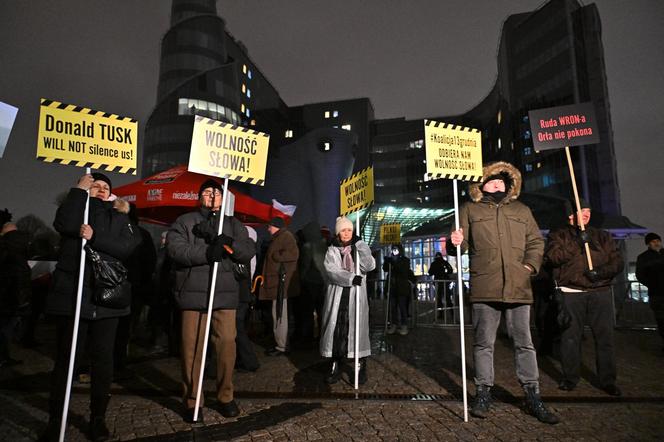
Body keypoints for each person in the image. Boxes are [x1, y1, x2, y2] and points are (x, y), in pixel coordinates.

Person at [449, 161, 558, 424]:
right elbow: (459, 246)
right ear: (482, 185)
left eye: (501, 182)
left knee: (524, 343)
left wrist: (529, 266)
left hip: (519, 286)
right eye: (491, 181)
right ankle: (483, 393)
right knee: (484, 343)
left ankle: (532, 395)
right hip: (485, 286)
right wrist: (454, 243)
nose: (497, 185)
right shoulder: (469, 209)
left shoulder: (522, 210)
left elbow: (535, 241)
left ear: (509, 185)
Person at [42, 173, 138, 441]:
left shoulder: (119, 215)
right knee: (66, 361)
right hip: (73, 296)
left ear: (111, 194)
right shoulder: (76, 205)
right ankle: (55, 419)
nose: (99, 190)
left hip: (106, 300)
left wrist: (95, 238)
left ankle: (98, 418)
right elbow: (64, 224)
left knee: (103, 360)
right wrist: (78, 191)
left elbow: (127, 247)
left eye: (104, 187)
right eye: (94, 185)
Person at [167, 179, 255, 422]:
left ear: (223, 198)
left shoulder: (234, 224)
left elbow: (248, 251)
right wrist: (206, 253)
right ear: (200, 197)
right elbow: (176, 250)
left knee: (227, 344)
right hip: (193, 294)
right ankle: (193, 399)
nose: (212, 196)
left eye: (217, 192)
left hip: (224, 294)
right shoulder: (185, 221)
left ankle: (225, 396)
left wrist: (227, 242)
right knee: (191, 349)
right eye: (207, 192)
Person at [545, 199, 623, 396]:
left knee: (605, 338)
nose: (586, 214)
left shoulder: (603, 235)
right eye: (581, 210)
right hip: (572, 293)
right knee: (570, 337)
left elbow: (617, 262)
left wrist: (601, 272)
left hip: (600, 291)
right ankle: (570, 378)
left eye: (588, 210)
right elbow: (554, 258)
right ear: (571, 215)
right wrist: (577, 242)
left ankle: (608, 380)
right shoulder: (559, 235)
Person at [320, 216, 375, 384]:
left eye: (349, 230)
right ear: (338, 232)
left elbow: (369, 265)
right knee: (337, 329)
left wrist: (361, 246)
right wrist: (351, 278)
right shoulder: (332, 250)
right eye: (343, 230)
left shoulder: (358, 248)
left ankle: (360, 363)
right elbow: (331, 271)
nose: (346, 233)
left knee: (356, 328)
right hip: (338, 295)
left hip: (356, 296)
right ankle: (335, 362)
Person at [114, 204, 156, 379]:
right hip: (134, 287)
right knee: (126, 326)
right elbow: (150, 262)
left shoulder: (113, 231)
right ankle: (119, 361)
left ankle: (111, 360)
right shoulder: (142, 234)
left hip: (115, 285)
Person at [259, 217, 300, 356]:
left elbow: (294, 254)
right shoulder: (280, 237)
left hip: (281, 285)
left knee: (280, 314)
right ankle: (281, 344)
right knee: (278, 314)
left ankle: (282, 346)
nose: (268, 228)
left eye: (269, 226)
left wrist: (277, 256)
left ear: (275, 226)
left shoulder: (285, 236)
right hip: (278, 284)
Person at [0, 219, 31, 368]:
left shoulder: (6, 248)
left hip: (9, 295)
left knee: (5, 330)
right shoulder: (19, 248)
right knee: (7, 330)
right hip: (14, 296)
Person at [294, 221, 328, 346]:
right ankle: (322, 338)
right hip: (323, 283)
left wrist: (301, 280)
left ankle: (307, 339)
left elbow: (305, 266)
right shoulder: (324, 244)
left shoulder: (308, 246)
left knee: (307, 313)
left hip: (310, 284)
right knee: (322, 313)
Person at [235, 226, 259, 372]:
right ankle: (243, 359)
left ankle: (249, 360)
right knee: (238, 327)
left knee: (237, 328)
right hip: (243, 294)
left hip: (240, 294)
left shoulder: (244, 253)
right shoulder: (249, 252)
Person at [636, 232, 664, 351]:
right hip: (657, 293)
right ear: (648, 244)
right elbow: (640, 275)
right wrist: (652, 284)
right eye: (653, 241)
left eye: (658, 241)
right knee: (662, 321)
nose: (656, 243)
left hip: (657, 293)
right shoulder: (643, 257)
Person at [382, 244, 414, 335]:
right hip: (392, 287)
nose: (394, 251)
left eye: (396, 249)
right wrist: (387, 261)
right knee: (393, 307)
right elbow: (385, 269)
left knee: (402, 307)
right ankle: (394, 325)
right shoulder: (390, 260)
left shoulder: (405, 260)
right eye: (393, 249)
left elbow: (403, 271)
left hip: (401, 287)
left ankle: (404, 326)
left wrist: (395, 262)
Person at [428, 252, 454, 319]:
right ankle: (452, 314)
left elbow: (430, 273)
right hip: (445, 283)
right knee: (448, 299)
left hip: (438, 283)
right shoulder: (445, 262)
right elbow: (450, 270)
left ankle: (441, 314)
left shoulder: (434, 264)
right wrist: (446, 274)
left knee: (439, 299)